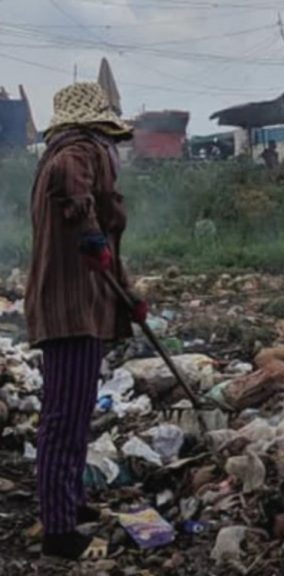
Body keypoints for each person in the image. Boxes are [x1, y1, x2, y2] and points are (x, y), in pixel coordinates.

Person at [24, 82, 147, 561]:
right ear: (97, 126)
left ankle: (70, 505)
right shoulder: (75, 150)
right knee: (63, 420)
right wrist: (91, 232)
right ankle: (58, 529)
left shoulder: (82, 151)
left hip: (84, 304)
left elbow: (103, 242)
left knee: (74, 417)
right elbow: (69, 183)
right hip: (70, 308)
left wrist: (128, 292)